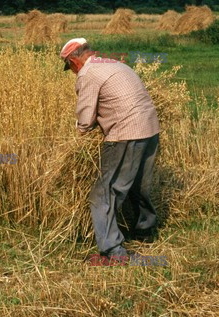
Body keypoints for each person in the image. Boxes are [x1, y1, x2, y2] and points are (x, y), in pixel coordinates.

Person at [60, 38, 160, 258]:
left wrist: (76, 133)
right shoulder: (114, 63)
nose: (72, 72)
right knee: (137, 185)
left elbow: (85, 121)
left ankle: (112, 249)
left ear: (74, 61)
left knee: (104, 192)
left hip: (125, 135)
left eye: (69, 68)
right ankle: (145, 230)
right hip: (151, 130)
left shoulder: (87, 74)